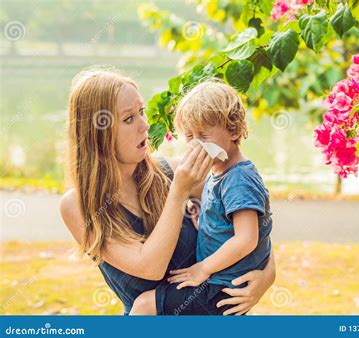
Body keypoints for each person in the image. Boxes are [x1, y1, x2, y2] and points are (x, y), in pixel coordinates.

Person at [59, 68, 276, 315]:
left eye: (141, 111)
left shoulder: (171, 172)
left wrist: (268, 274)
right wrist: (178, 192)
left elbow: (248, 220)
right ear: (98, 134)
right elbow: (150, 267)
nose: (145, 125)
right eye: (129, 119)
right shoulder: (79, 206)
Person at [130, 80, 272, 315]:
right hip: (218, 281)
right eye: (190, 137)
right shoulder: (218, 172)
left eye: (204, 136)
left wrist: (203, 269)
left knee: (144, 305)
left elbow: (247, 238)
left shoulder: (239, 179)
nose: (196, 145)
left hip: (222, 287)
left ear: (234, 130)